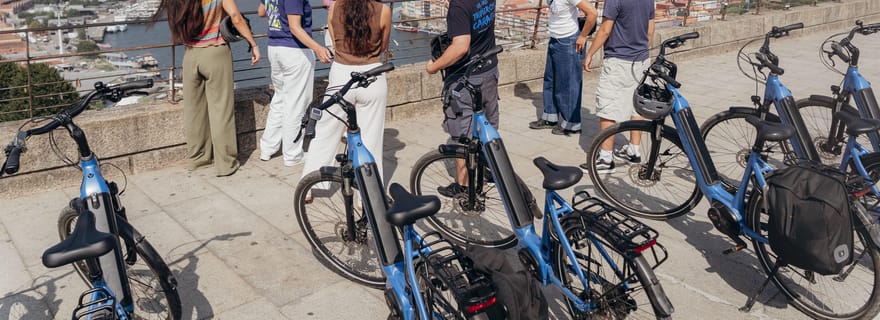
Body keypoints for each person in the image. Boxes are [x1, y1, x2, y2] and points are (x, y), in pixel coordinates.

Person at [151, 0, 261, 177]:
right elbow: (236, 17)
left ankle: (198, 159)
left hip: (190, 55)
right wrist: (253, 44)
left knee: (195, 112)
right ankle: (226, 163)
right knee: (221, 110)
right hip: (215, 52)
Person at [300, 0, 391, 196]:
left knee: (326, 131)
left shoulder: (335, 8)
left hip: (341, 74)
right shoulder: (384, 10)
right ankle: (368, 195)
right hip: (372, 74)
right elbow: (383, 46)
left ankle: (310, 184)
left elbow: (334, 41)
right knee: (371, 138)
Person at [425, 0, 498, 196]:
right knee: (487, 126)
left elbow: (460, 47)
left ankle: (464, 187)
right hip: (489, 69)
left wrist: (434, 66)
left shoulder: (458, 7)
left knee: (461, 136)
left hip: (466, 78)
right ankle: (486, 168)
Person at [580, 0, 654, 173]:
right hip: (641, 59)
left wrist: (590, 54)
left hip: (618, 59)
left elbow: (605, 30)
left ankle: (606, 158)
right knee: (637, 105)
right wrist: (640, 50)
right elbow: (650, 30)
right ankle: (634, 150)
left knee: (608, 105)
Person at [257, 0, 332, 166]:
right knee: (296, 105)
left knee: (280, 99)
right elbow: (295, 27)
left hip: (274, 48)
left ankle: (268, 147)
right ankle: (293, 154)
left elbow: (262, 12)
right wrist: (318, 48)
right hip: (294, 51)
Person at [529, 0, 597, 136]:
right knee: (550, 80)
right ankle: (550, 117)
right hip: (555, 39)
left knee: (568, 84)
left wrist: (583, 36)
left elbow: (593, 13)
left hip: (569, 41)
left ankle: (572, 124)